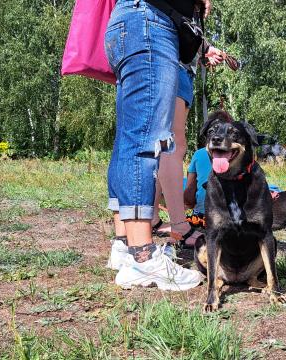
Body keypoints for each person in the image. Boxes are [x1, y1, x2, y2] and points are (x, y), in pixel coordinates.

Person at [104, 0, 211, 291]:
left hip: (134, 25)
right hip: (150, 24)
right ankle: (143, 257)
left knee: (128, 139)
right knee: (144, 139)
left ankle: (125, 245)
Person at [151, 44, 224, 248]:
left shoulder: (200, 154)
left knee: (159, 147)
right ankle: (180, 227)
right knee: (172, 145)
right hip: (174, 70)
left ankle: (153, 217)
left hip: (170, 68)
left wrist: (202, 51)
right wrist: (204, 47)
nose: (207, 10)